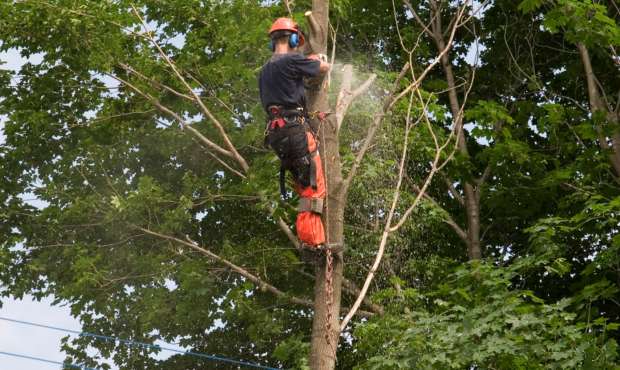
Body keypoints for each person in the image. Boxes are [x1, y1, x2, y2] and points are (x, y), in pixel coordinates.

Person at [258, 17, 330, 249]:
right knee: (314, 185)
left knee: (303, 183)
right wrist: (317, 60)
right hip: (294, 129)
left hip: (277, 135)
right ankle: (313, 244)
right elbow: (322, 68)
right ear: (293, 39)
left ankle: (308, 238)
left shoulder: (264, 71)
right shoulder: (292, 60)